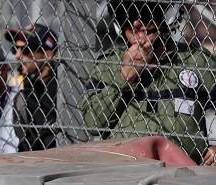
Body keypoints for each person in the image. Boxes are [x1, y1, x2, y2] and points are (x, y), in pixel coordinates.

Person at [82, 0, 216, 164]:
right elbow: (92, 122)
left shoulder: (195, 60)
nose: (137, 23)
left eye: (146, 14)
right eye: (127, 15)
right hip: (123, 169)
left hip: (182, 172)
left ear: (167, 18)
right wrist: (123, 79)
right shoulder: (108, 64)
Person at [4, 22, 60, 151]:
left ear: (48, 54)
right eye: (15, 49)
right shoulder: (24, 87)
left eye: (26, 49)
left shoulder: (61, 91)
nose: (17, 55)